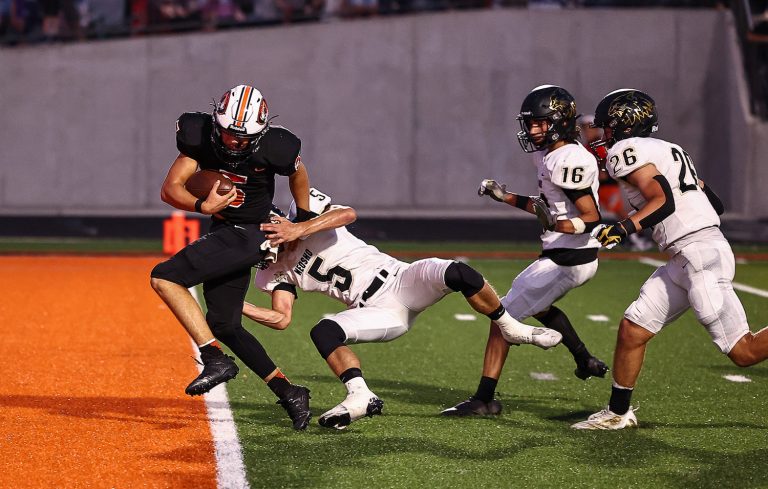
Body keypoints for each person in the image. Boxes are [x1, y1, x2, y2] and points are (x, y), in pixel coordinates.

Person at [242, 188, 563, 430]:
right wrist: (237, 307)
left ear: (278, 222)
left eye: (269, 238)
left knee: (457, 272)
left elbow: (348, 214)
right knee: (324, 332)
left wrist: (300, 229)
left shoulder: (305, 213)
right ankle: (359, 395)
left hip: (401, 278)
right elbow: (281, 318)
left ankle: (509, 326)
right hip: (376, 310)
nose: (268, 250)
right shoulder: (272, 271)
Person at [572, 89, 768, 430]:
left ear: (624, 125)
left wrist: (623, 227)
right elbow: (715, 202)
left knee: (743, 351)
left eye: (607, 127)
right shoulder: (670, 149)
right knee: (633, 328)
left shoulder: (625, 151)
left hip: (698, 254)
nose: (603, 135)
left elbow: (663, 201)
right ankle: (618, 413)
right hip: (687, 254)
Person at [150, 84, 315, 430]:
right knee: (225, 324)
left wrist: (301, 220)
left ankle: (213, 357)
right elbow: (171, 188)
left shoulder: (277, 146)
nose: (235, 144)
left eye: (244, 139)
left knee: (164, 276)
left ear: (261, 133)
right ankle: (289, 391)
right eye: (228, 135)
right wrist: (201, 205)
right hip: (225, 229)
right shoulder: (198, 135)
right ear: (216, 123)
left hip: (253, 232)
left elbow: (298, 173)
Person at [443, 85, 608, 417]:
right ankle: (584, 359)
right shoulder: (550, 153)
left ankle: (484, 399)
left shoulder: (569, 159)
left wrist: (557, 224)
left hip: (570, 258)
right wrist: (506, 197)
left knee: (502, 317)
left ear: (560, 122)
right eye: (530, 123)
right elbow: (546, 206)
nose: (532, 131)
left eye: (539, 123)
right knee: (540, 306)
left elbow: (591, 217)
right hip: (561, 253)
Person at [578, 114, 652, 252]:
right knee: (593, 211)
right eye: (584, 128)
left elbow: (608, 163)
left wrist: (601, 172)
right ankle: (597, 239)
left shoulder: (599, 145)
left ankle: (638, 238)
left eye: (588, 128)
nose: (586, 131)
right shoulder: (588, 146)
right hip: (595, 186)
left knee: (618, 212)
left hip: (607, 185)